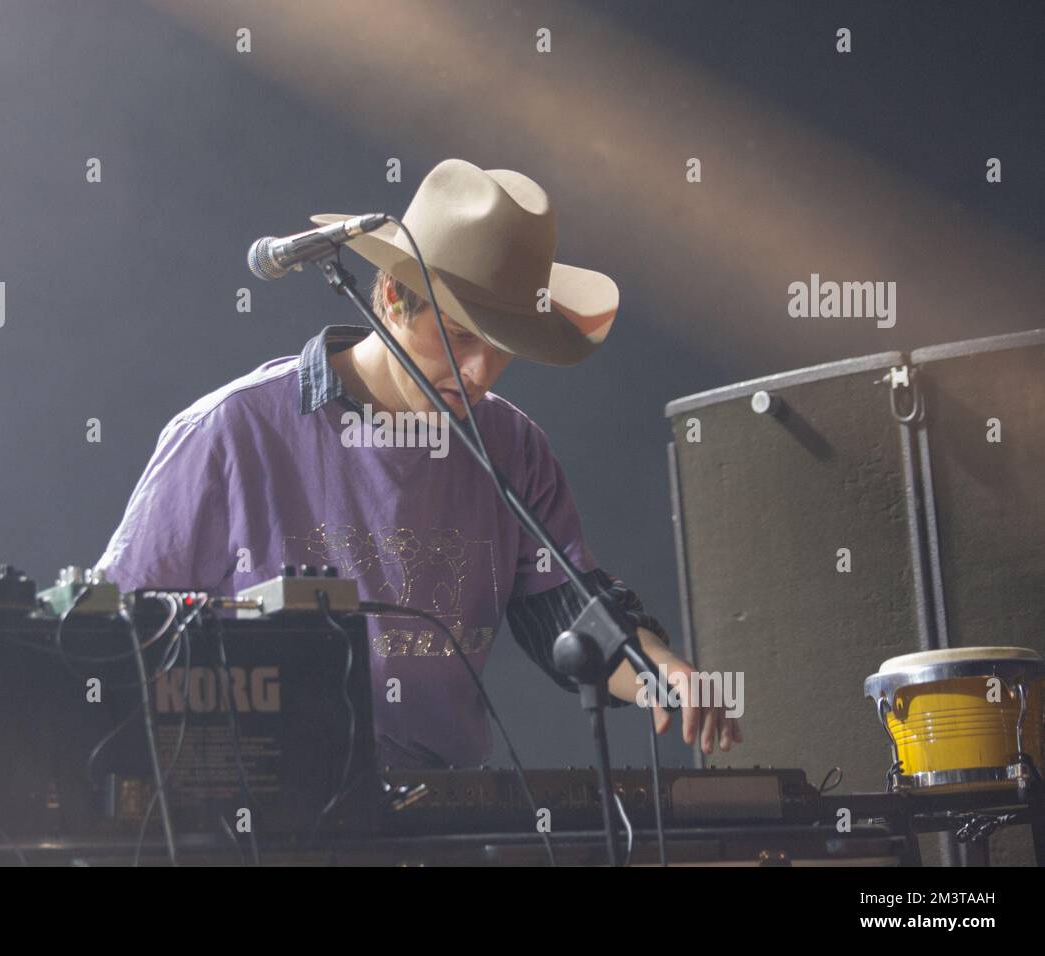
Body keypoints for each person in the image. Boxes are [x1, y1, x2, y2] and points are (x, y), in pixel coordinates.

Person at [96, 158, 741, 770]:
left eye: (502, 348)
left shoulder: (513, 448)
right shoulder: (232, 431)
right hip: (263, 808)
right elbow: (118, 633)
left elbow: (565, 612)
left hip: (438, 812)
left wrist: (659, 668)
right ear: (390, 298)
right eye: (460, 337)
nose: (479, 374)